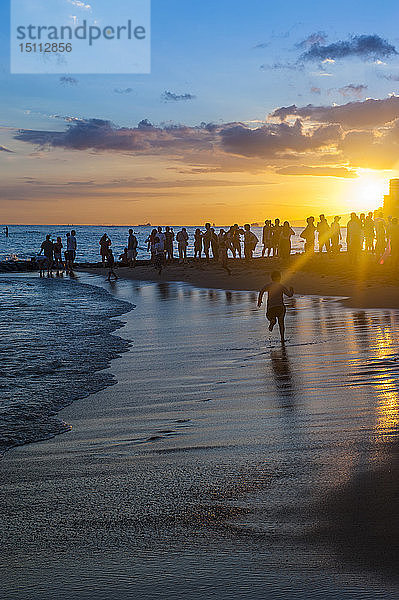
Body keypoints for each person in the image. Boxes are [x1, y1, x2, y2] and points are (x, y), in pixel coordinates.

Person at [257, 270, 294, 344]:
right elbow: (289, 295)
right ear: (280, 278)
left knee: (269, 316)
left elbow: (261, 291)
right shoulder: (281, 286)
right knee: (281, 323)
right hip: (280, 307)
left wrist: (259, 300)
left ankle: (272, 321)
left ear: (271, 278)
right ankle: (282, 338)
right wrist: (291, 290)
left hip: (271, 308)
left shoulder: (268, 285)